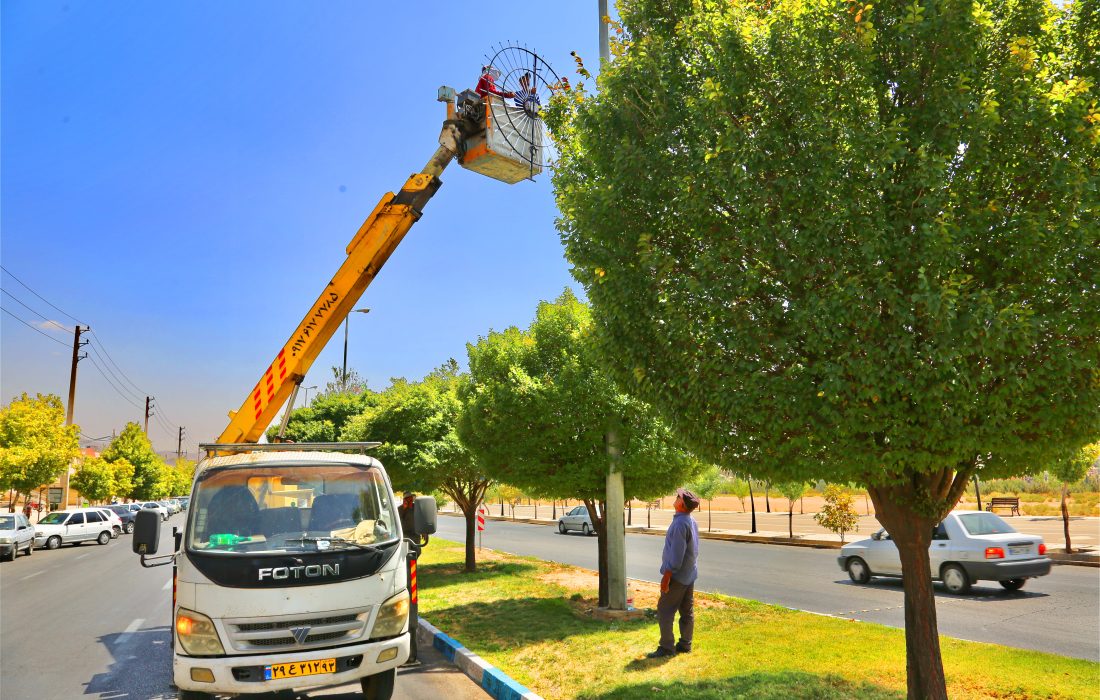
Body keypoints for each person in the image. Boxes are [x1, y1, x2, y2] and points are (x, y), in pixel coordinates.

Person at [648, 488, 701, 658]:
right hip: (689, 574)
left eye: (678, 496)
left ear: (682, 504)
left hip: (677, 577)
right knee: (687, 610)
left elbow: (677, 556)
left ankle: (666, 647)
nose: (675, 497)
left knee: (665, 609)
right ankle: (685, 644)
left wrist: (667, 576)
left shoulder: (679, 524)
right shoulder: (691, 521)